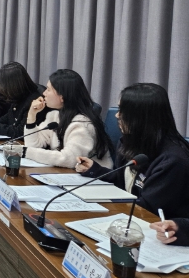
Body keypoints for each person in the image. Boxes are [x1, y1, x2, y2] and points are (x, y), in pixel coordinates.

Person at [77, 83, 189, 222]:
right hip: (129, 220)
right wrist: (95, 170)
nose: (117, 115)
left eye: (123, 111)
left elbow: (147, 209)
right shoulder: (130, 142)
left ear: (142, 117)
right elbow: (123, 182)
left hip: (155, 227)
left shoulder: (173, 161)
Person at [4, 69, 112, 169]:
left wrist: (25, 152)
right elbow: (33, 145)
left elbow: (69, 159)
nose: (44, 93)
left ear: (62, 96)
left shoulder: (83, 124)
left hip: (94, 179)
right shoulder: (55, 116)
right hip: (67, 174)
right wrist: (31, 115)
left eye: (48, 90)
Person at [0, 61, 50, 138]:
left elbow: (20, 132)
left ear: (13, 86)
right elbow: (8, 118)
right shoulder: (19, 96)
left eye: (4, 88)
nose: (2, 91)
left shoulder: (35, 101)